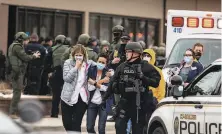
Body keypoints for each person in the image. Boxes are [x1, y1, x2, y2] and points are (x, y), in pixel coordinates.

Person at [102, 42, 161, 134]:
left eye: (128, 52)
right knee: (119, 126)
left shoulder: (146, 67)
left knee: (138, 130)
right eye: (126, 52)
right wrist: (104, 98)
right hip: (125, 102)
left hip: (139, 105)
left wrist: (142, 77)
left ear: (136, 53)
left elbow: (156, 83)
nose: (126, 54)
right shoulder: (122, 67)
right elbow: (112, 82)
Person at [61, 44, 94, 132]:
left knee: (76, 122)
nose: (78, 57)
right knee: (67, 123)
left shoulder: (88, 64)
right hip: (68, 97)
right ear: (73, 55)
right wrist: (76, 67)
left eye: (80, 55)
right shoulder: (68, 63)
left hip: (82, 98)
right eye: (76, 55)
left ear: (84, 55)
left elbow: (100, 65)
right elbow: (67, 78)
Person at [8, 32, 40, 118]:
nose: (27, 42)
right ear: (21, 40)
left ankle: (13, 112)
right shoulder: (17, 47)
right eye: (26, 40)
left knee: (17, 92)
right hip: (17, 72)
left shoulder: (13, 45)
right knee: (17, 93)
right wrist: (34, 56)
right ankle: (12, 113)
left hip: (16, 71)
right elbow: (25, 57)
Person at [87, 53, 110, 134]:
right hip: (92, 103)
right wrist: (102, 81)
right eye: (99, 61)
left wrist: (94, 83)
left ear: (106, 64)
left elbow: (107, 89)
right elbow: (89, 87)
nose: (100, 64)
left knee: (101, 129)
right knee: (89, 128)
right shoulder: (92, 70)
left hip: (103, 103)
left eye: (103, 63)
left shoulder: (108, 73)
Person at [50, 35, 69, 118]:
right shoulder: (68, 49)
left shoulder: (51, 49)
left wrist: (49, 72)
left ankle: (54, 112)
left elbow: (47, 62)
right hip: (66, 72)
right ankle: (66, 113)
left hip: (55, 72)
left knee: (56, 94)